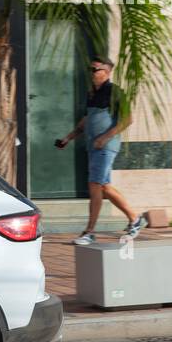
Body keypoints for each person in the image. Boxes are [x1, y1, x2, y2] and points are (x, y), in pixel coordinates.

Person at [56, 57, 146, 245]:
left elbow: (127, 119)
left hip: (106, 147)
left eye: (96, 69)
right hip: (94, 147)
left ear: (107, 72)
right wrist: (68, 137)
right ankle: (135, 218)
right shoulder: (91, 93)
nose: (92, 73)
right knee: (104, 187)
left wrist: (105, 137)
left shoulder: (115, 92)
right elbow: (86, 120)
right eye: (91, 69)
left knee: (95, 185)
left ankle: (89, 232)